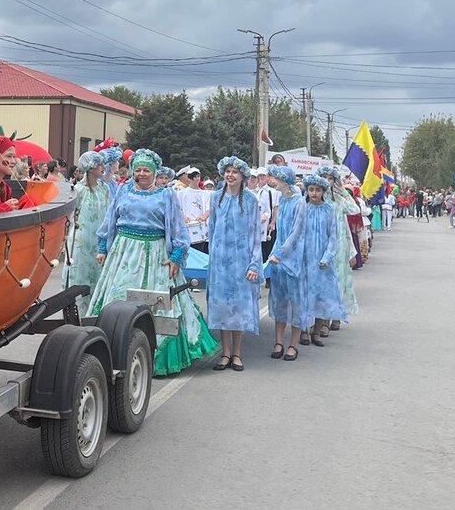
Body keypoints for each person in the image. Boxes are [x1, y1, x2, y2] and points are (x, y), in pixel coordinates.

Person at [92, 148, 217, 376]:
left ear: (155, 172)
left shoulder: (166, 195)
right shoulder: (122, 190)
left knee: (159, 305)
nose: (141, 174)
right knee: (120, 301)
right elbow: (110, 221)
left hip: (157, 254)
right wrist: (103, 248)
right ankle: (117, 351)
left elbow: (178, 228)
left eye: (146, 170)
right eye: (137, 170)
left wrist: (176, 257)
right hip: (124, 254)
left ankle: (155, 357)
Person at [206, 156, 262, 372]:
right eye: (227, 171)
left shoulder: (250, 200)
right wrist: (212, 257)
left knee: (238, 307)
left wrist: (254, 264)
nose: (230, 175)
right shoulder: (215, 198)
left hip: (241, 261)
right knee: (222, 307)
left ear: (243, 176)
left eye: (234, 172)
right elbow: (211, 229)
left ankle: (237, 352)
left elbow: (256, 233)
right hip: (220, 262)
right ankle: (225, 352)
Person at [262, 164, 307, 361]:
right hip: (278, 258)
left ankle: (294, 344)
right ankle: (279, 341)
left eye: (276, 179)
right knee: (279, 300)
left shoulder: (300, 203)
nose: (273, 181)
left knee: (296, 301)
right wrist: (274, 255)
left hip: (294, 259)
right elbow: (280, 233)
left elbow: (296, 234)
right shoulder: (282, 199)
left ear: (285, 181)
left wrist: (280, 253)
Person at [302, 174, 346, 345]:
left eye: (317, 190)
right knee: (306, 295)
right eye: (311, 190)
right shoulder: (303, 208)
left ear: (323, 192)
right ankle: (305, 330)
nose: (314, 193)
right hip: (306, 258)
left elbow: (332, 237)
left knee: (322, 296)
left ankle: (318, 331)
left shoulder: (329, 210)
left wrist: (327, 256)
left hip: (323, 261)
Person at [65, 150, 111, 316]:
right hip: (81, 239)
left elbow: (109, 214)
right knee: (80, 274)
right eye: (99, 164)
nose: (102, 167)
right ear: (90, 167)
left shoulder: (104, 189)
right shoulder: (78, 190)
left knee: (97, 274)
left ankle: (95, 313)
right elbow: (70, 216)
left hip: (98, 239)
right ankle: (77, 312)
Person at [318, 165, 358, 329]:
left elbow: (355, 210)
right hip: (321, 244)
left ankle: (335, 316)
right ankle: (322, 319)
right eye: (324, 178)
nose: (327, 181)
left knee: (337, 281)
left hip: (339, 246)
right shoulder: (316, 200)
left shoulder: (339, 200)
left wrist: (344, 191)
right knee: (322, 282)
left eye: (330, 178)